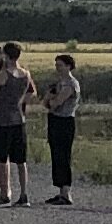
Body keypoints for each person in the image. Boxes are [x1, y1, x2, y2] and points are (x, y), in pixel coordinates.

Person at [0, 39, 35, 204]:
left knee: (1, 158)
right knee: (20, 160)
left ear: (5, 55)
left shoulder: (3, 74)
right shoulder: (26, 74)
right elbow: (29, 93)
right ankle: (24, 194)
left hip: (2, 118)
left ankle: (5, 193)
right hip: (19, 118)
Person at [42, 48, 81, 204]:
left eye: (60, 65)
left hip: (65, 122)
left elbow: (56, 103)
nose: (57, 68)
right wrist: (49, 100)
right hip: (55, 120)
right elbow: (45, 103)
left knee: (63, 156)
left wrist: (50, 100)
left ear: (69, 66)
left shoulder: (71, 84)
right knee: (56, 155)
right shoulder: (59, 83)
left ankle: (66, 192)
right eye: (56, 65)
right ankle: (60, 191)